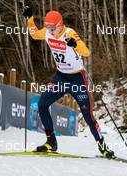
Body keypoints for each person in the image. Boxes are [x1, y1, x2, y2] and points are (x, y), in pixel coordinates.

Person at [22, 7, 114, 158]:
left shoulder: (69, 33)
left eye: (53, 28)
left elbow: (86, 52)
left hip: (77, 79)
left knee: (88, 116)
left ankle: (103, 147)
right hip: (61, 78)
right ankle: (51, 141)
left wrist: (75, 44)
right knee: (42, 104)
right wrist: (30, 19)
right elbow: (34, 34)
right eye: (48, 28)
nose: (50, 31)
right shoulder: (46, 32)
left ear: (60, 24)